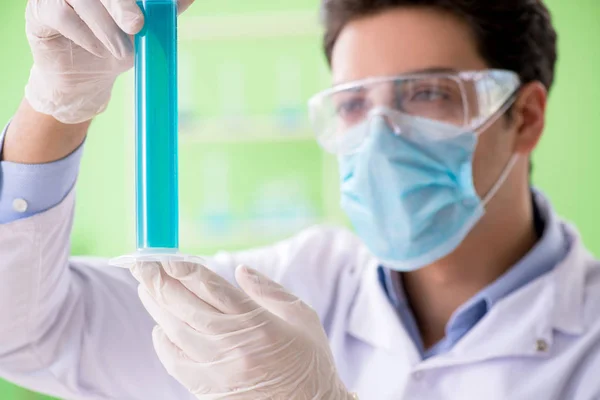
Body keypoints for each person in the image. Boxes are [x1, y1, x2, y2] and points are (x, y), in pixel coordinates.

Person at [0, 0, 599, 398]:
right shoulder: (293, 285)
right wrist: (56, 102)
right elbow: (23, 333)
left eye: (427, 94)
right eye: (353, 104)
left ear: (524, 117)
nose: (379, 136)